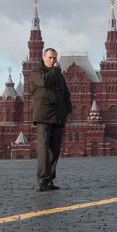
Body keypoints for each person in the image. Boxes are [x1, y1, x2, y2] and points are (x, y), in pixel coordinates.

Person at [28, 48, 71, 191]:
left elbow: (65, 92)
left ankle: (50, 179)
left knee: (55, 150)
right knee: (43, 149)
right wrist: (56, 70)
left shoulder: (58, 74)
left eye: (54, 58)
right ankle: (42, 180)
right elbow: (44, 82)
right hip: (43, 115)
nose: (53, 61)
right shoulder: (36, 71)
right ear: (43, 57)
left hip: (58, 116)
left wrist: (67, 110)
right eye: (50, 57)